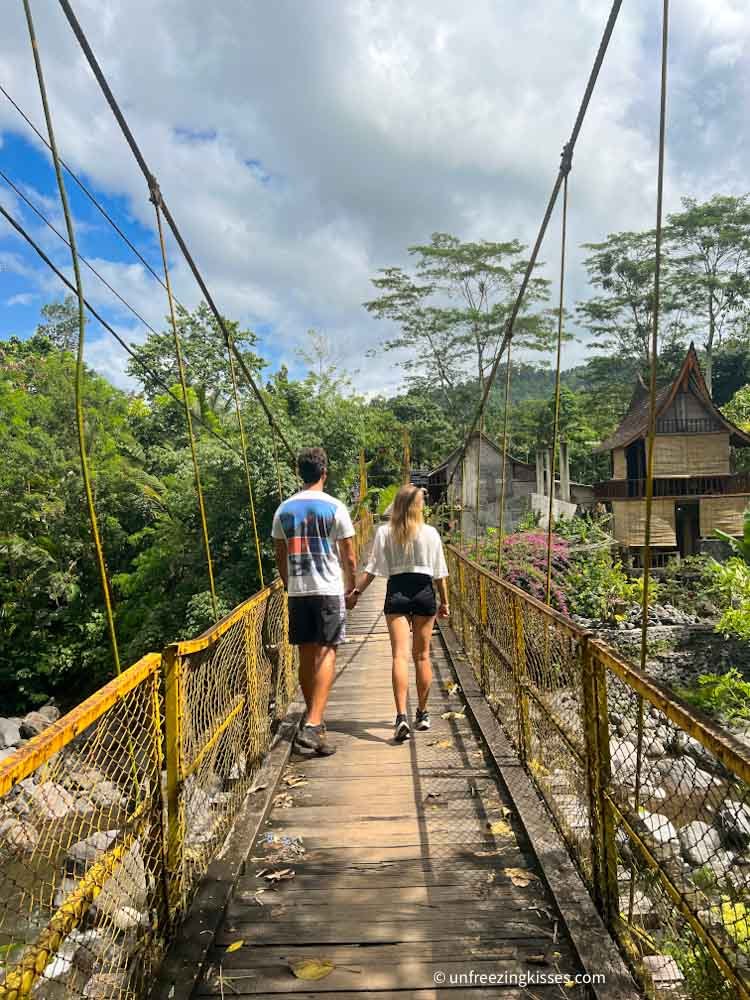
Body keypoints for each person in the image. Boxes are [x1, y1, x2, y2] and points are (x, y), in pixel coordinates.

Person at [272, 446, 357, 756]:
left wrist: (288, 584)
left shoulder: (283, 509)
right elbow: (349, 555)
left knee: (307, 655)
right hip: (327, 589)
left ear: (300, 473)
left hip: (298, 591)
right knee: (328, 652)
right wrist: (351, 589)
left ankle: (313, 723)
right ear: (325, 472)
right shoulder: (335, 507)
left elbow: (280, 556)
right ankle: (313, 723)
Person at [349, 484, 449, 742]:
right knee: (423, 657)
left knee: (399, 656)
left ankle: (401, 716)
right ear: (418, 507)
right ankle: (423, 714)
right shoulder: (431, 533)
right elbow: (440, 574)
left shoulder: (384, 532)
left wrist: (356, 594)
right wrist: (445, 603)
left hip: (398, 592)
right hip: (425, 591)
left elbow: (371, 570)